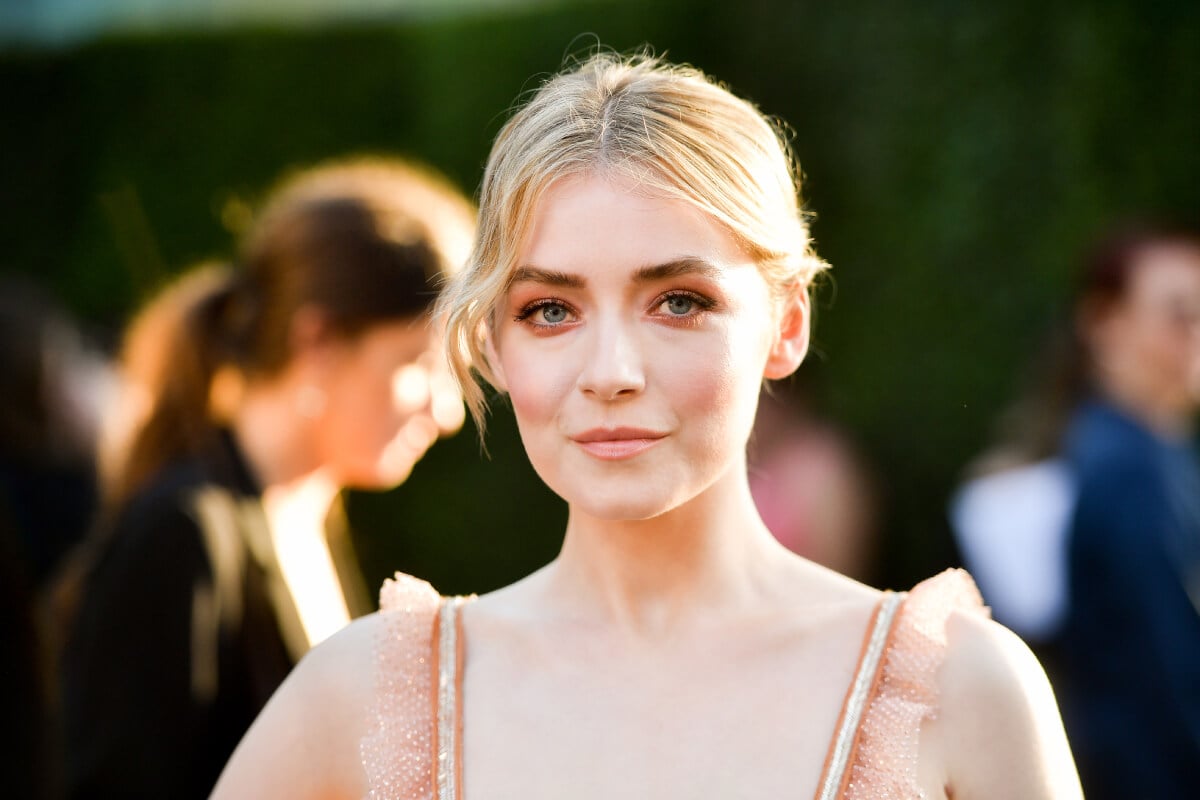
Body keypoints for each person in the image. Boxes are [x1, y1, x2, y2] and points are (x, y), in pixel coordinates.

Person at [213, 52, 1081, 799]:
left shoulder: (962, 691)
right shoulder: (362, 696)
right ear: (494, 342)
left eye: (679, 302)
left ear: (785, 325)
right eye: (551, 310)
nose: (611, 374)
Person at [60, 156, 475, 800]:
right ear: (318, 343)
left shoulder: (306, 511)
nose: (446, 412)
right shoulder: (183, 536)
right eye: (420, 364)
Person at [1054, 225, 1200, 799]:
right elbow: (1171, 672)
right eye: (1178, 315)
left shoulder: (1154, 451)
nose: (1196, 335)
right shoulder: (1129, 470)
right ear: (1105, 325)